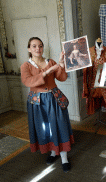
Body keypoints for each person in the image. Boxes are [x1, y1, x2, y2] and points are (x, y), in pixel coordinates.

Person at [20, 37, 74, 173]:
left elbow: (62, 78)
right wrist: (46, 72)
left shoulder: (51, 62)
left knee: (59, 126)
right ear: (29, 49)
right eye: (34, 46)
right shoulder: (25, 66)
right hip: (37, 102)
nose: (38, 49)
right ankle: (53, 152)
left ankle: (64, 158)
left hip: (54, 98)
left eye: (40, 46)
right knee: (45, 128)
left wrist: (61, 64)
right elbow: (28, 81)